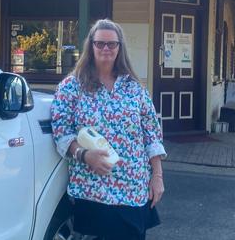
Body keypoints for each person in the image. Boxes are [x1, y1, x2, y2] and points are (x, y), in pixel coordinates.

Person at [51, 19, 166, 240]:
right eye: (100, 43)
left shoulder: (134, 88)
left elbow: (151, 133)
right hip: (92, 191)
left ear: (119, 48)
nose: (106, 48)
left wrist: (157, 176)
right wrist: (84, 155)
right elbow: (61, 132)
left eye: (111, 44)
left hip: (133, 190)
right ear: (91, 46)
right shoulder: (72, 86)